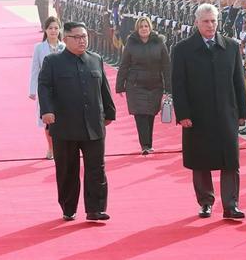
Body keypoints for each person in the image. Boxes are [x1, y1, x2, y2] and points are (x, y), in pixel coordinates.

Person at [171, 3, 246, 219]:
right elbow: (178, 85)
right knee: (200, 159)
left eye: (214, 21)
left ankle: (231, 204)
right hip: (197, 114)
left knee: (230, 160)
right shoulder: (183, 50)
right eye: (206, 21)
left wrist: (242, 111)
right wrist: (183, 113)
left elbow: (238, 82)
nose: (210, 25)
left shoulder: (231, 47)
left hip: (226, 113)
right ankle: (205, 201)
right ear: (197, 23)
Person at [38, 21, 116, 221]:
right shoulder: (53, 62)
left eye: (84, 37)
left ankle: (95, 209)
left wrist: (109, 112)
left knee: (96, 168)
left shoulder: (95, 59)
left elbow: (103, 88)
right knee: (67, 170)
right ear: (66, 39)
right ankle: (68, 207)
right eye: (77, 37)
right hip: (65, 125)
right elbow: (44, 87)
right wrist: (47, 111)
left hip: (93, 125)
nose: (82, 41)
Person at [115, 16, 171, 155]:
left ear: (150, 27)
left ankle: (148, 143)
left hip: (155, 84)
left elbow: (166, 65)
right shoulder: (131, 43)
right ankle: (145, 145)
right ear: (137, 29)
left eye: (146, 26)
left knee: (151, 114)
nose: (144, 29)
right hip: (135, 85)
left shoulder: (159, 42)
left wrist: (169, 87)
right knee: (140, 115)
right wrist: (120, 84)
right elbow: (124, 64)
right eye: (141, 26)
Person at [29, 16, 65, 159]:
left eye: (56, 28)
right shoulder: (39, 48)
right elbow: (35, 69)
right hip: (46, 89)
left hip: (63, 89)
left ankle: (60, 147)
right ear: (46, 30)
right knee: (48, 121)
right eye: (50, 28)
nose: (53, 31)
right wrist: (32, 90)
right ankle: (51, 148)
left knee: (62, 120)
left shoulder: (64, 47)